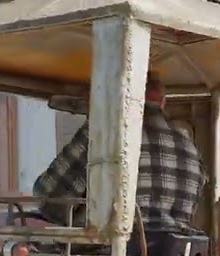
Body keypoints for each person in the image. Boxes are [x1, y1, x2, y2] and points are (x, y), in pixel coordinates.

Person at [31, 72, 206, 237]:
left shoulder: (106, 131)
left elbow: (52, 199)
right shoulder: (189, 148)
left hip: (109, 252)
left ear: (116, 94)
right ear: (162, 101)